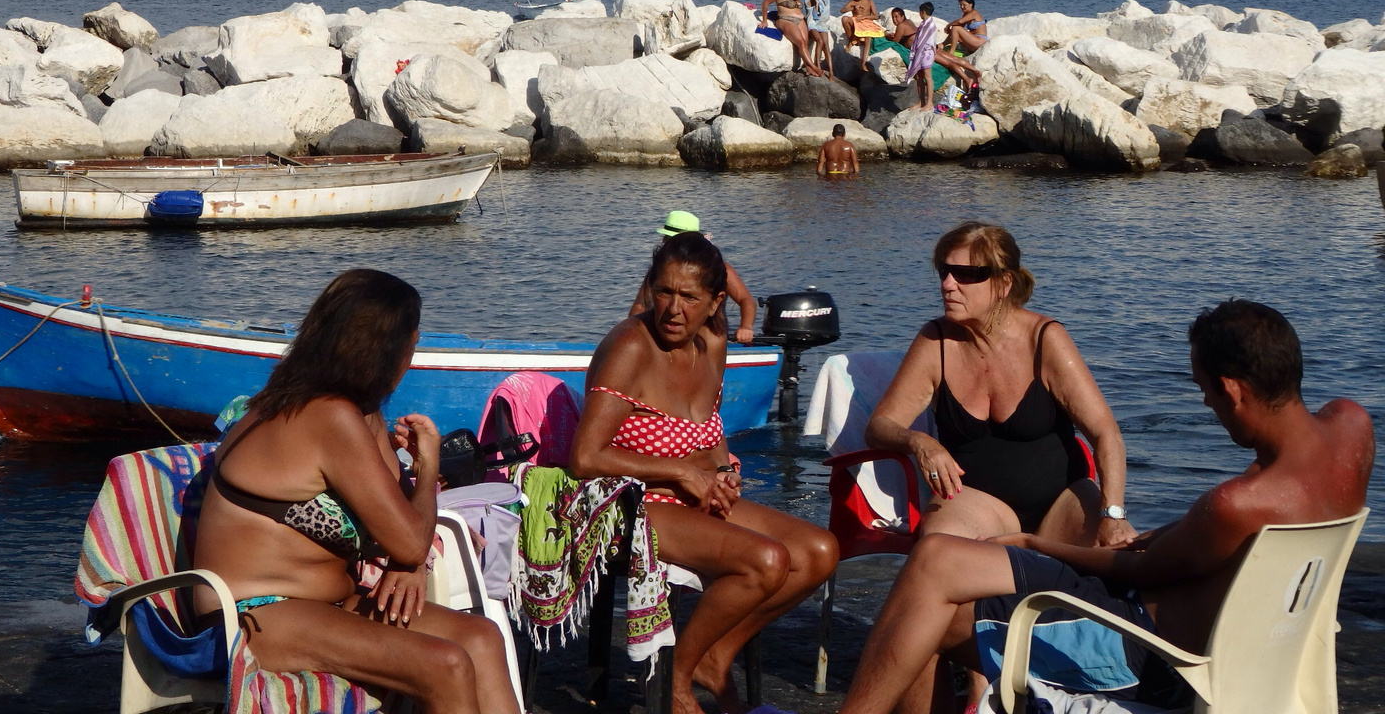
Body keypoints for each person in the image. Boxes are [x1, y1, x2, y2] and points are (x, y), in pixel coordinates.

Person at [840, 299, 1375, 714]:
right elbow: (1194, 544)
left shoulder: (1236, 504)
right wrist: (1162, 532)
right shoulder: (1353, 429)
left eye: (1205, 391)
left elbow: (1133, 567)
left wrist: (1030, 542)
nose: (1205, 403)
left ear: (1232, 390)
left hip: (1140, 654)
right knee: (936, 563)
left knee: (924, 600)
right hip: (1228, 638)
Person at [193, 270, 522, 714]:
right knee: (445, 663)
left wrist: (409, 560)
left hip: (325, 605)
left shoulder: (337, 406)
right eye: (412, 344)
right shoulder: (327, 416)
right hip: (254, 614)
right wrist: (429, 471)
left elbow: (395, 525)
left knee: (480, 638)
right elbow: (408, 539)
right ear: (390, 352)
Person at [574, 233, 839, 714]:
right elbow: (585, 457)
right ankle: (674, 680)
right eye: (664, 292)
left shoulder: (713, 343)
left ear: (717, 301)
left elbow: (710, 434)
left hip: (687, 492)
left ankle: (712, 658)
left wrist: (721, 472)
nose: (673, 309)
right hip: (627, 502)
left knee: (819, 553)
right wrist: (679, 471)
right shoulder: (631, 346)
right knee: (767, 561)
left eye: (689, 297)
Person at [867, 223, 1133, 546]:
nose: (948, 285)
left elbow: (1107, 434)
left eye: (966, 275)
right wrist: (919, 441)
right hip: (978, 506)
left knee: (1122, 554)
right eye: (944, 272)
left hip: (1061, 504)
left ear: (1004, 283)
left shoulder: (1045, 339)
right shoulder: (934, 341)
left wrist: (1113, 516)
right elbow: (880, 426)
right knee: (940, 549)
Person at [631, 210, 756, 344]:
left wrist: (745, 327)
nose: (666, 244)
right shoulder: (660, 270)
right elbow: (640, 306)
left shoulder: (717, 268)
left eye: (671, 239)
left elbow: (746, 300)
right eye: (666, 239)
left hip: (708, 340)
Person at [760, 0, 823, 77]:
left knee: (805, 43)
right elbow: (765, 3)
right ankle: (814, 67)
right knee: (801, 43)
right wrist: (764, 21)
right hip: (785, 20)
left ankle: (808, 68)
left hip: (799, 20)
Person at [840, 0, 881, 64]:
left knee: (868, 37)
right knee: (844, 19)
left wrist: (864, 17)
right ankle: (851, 40)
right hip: (855, 22)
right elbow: (842, 10)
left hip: (865, 22)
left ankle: (864, 61)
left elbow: (876, 16)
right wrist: (853, 7)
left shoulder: (869, 2)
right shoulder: (853, 2)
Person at [806, 0, 834, 80]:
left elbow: (825, 13)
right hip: (812, 23)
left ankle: (831, 71)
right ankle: (817, 66)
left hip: (822, 23)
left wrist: (820, 1)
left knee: (826, 46)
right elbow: (812, 13)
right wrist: (815, 2)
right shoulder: (807, 0)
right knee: (819, 41)